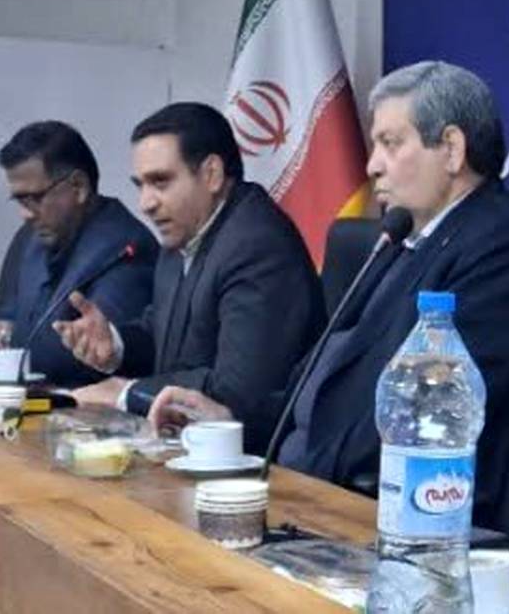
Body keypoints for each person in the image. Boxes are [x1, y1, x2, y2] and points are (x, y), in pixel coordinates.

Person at [145, 62, 509, 551]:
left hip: (406, 526)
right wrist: (230, 420)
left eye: (391, 143)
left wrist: (292, 488)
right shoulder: (406, 239)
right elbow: (319, 388)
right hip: (316, 496)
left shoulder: (506, 249)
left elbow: (419, 419)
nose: (372, 165)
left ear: (452, 149)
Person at [54, 103, 324, 432]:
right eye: (140, 185)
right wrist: (115, 345)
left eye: (160, 182)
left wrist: (126, 394)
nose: (146, 203)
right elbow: (167, 338)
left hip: (255, 452)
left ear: (211, 174)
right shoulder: (185, 231)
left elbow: (238, 392)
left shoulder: (258, 246)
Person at [0, 121, 157, 388]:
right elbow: (4, 318)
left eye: (34, 198)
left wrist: (2, 337)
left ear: (78, 187)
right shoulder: (29, 237)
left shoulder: (126, 248)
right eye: (19, 200)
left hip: (86, 406)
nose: (25, 213)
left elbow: (94, 351)